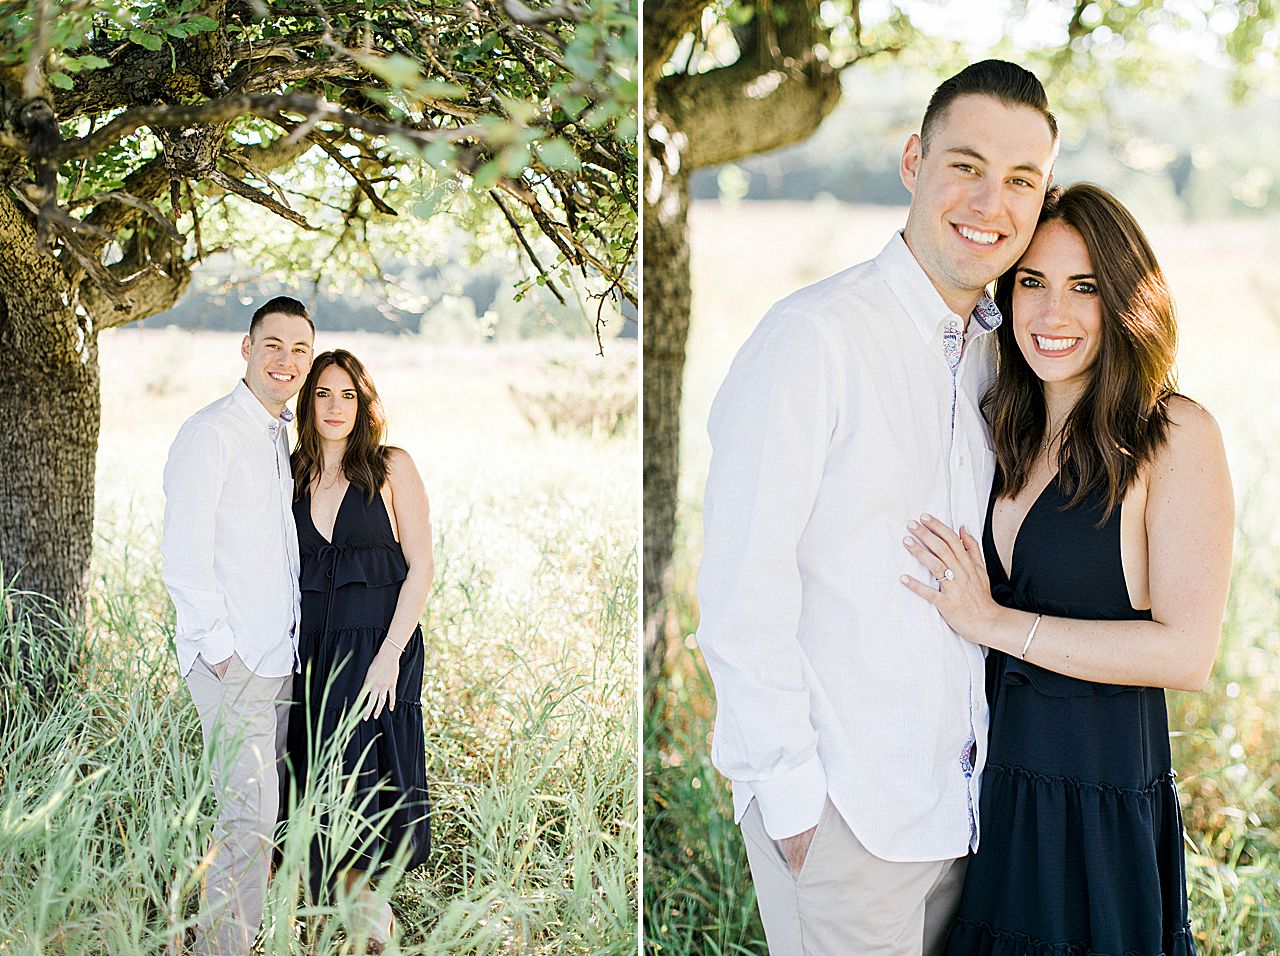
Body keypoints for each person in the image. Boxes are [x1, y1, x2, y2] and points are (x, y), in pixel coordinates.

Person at [696, 60, 1059, 954]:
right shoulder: (813, 339)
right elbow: (742, 589)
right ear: (912, 160)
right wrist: (794, 807)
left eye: (1021, 181)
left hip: (963, 816)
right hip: (845, 817)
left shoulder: (997, 360)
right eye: (965, 165)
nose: (990, 202)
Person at [900, 183, 1232, 954]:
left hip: (1096, 801)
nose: (1053, 315)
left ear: (1123, 297)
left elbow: (1188, 653)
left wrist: (994, 623)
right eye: (1032, 283)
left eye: (1084, 287)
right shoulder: (999, 422)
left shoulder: (1173, 434)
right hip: (992, 793)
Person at [161, 296, 315, 955]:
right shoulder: (212, 433)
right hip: (235, 664)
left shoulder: (277, 435)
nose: (286, 359)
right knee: (247, 821)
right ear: (246, 349)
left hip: (275, 661)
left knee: (259, 820)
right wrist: (222, 654)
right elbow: (184, 558)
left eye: (299, 349)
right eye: (273, 344)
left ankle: (234, 940)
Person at [284, 349, 433, 952]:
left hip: (380, 649)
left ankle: (371, 918)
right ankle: (352, 918)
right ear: (308, 402)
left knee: (366, 782)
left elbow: (421, 568)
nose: (335, 406)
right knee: (320, 786)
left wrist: (391, 653)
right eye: (323, 393)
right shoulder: (291, 473)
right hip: (314, 656)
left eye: (347, 394)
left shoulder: (392, 466)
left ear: (364, 403)